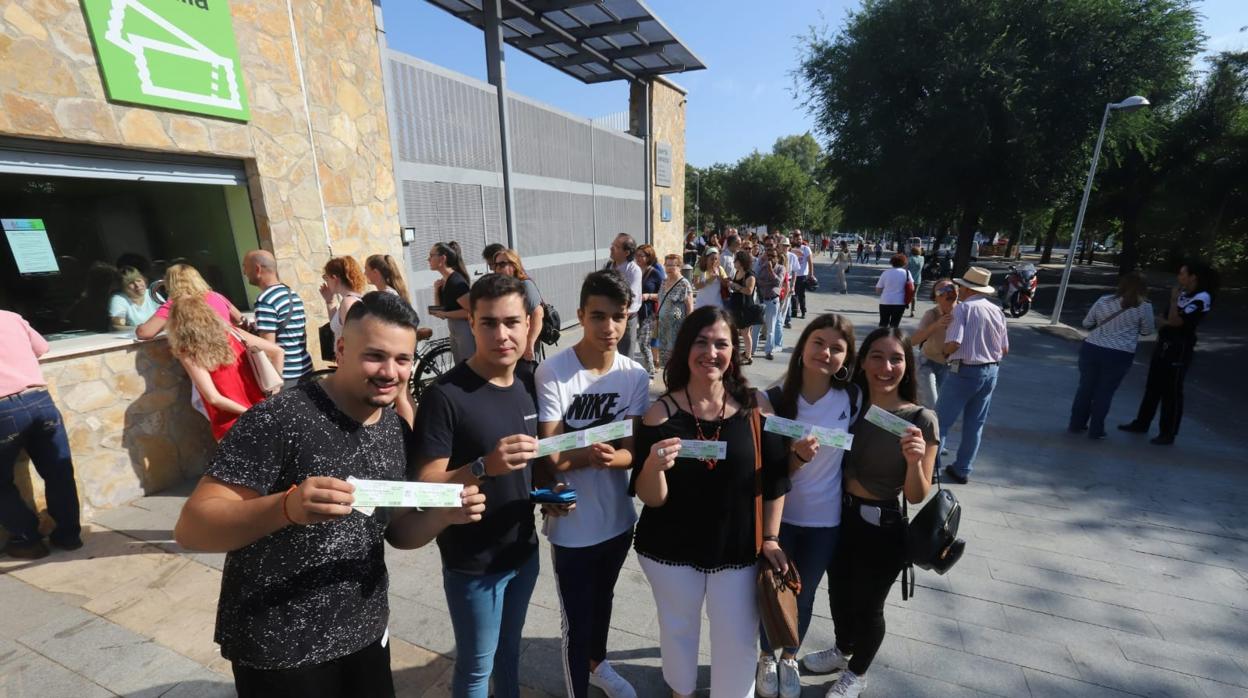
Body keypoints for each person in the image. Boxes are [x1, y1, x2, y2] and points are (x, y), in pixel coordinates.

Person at [173, 292, 486, 697]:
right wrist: (286, 507)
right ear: (341, 348)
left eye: (403, 359)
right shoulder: (279, 419)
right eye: (374, 356)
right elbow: (192, 528)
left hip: (365, 633)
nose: (390, 371)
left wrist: (444, 515)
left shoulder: (395, 431)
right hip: (280, 648)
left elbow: (398, 532)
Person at [630, 306, 789, 697]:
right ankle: (679, 690)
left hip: (736, 548)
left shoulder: (756, 407)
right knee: (678, 629)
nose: (711, 353)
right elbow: (651, 497)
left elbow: (775, 479)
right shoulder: (659, 413)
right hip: (670, 548)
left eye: (721, 344)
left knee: (736, 639)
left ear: (734, 351)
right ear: (685, 348)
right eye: (701, 342)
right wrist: (653, 465)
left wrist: (770, 538)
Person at [411, 274, 541, 698]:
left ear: (528, 323)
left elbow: (532, 468)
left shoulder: (530, 382)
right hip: (473, 562)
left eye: (511, 322)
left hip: (523, 551)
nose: (501, 334)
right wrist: (484, 466)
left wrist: (550, 494)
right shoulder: (445, 396)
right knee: (476, 668)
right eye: (488, 323)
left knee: (509, 656)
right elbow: (427, 484)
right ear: (471, 322)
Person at [534, 271, 649, 698]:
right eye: (598, 316)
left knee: (603, 605)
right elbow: (553, 454)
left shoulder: (634, 375)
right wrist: (597, 455)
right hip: (573, 526)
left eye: (618, 317)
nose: (609, 328)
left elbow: (630, 451)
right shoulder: (553, 372)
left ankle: (599, 666)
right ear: (580, 315)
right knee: (575, 624)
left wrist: (612, 456)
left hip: (619, 521)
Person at [806, 328, 938, 698]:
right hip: (837, 516)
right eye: (877, 357)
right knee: (838, 593)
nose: (886, 366)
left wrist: (913, 461)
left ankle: (858, 671)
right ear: (862, 362)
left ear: (907, 366)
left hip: (881, 525)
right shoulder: (850, 403)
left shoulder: (919, 419)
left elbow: (917, 492)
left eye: (896, 358)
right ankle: (842, 648)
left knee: (869, 605)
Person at [754, 314, 860, 698]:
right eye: (818, 342)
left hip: (824, 521)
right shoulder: (775, 399)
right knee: (771, 588)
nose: (825, 353)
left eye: (836, 347)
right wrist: (796, 459)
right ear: (803, 347)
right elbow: (767, 468)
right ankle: (766, 654)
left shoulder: (852, 398)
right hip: (777, 519)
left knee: (806, 592)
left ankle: (789, 657)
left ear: (847, 357)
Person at [0, 310, 82, 560]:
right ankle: (68, 536)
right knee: (59, 472)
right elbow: (42, 347)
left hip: (3, 410)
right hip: (40, 400)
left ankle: (27, 538)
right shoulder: (9, 317)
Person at [1119, 260, 1215, 445]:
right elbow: (1165, 319)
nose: (1179, 277)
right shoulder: (1183, 294)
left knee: (1171, 390)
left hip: (1179, 347)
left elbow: (1177, 321)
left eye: (1182, 274)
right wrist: (1170, 318)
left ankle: (1168, 432)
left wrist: (1172, 303)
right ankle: (1142, 422)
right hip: (1164, 342)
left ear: (1193, 277)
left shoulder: (1202, 297)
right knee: (1152, 385)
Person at [167, 295, 284, 440]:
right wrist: (274, 395)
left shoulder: (189, 352)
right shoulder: (234, 333)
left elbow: (213, 398)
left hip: (232, 426)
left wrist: (251, 413)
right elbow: (278, 351)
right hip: (263, 413)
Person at [935, 267, 1008, 484]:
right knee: (975, 424)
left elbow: (954, 342)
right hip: (991, 370)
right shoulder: (997, 310)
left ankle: (932, 466)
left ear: (966, 288)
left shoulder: (963, 309)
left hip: (964, 370)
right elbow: (1004, 349)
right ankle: (963, 468)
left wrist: (944, 352)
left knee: (941, 422)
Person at [1068, 272, 1155, 439]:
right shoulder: (1144, 307)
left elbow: (1087, 323)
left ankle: (1076, 423)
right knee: (1105, 392)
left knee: (1085, 388)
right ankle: (1096, 429)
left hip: (1092, 347)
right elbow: (1147, 331)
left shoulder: (1104, 300)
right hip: (1120, 354)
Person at [244, 250, 313, 387]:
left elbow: (269, 348)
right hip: (305, 368)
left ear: (257, 269)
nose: (244, 273)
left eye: (245, 267)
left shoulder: (265, 301)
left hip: (286, 376)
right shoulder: (291, 294)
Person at [136, 263, 244, 340]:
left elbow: (145, 333)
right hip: (232, 349)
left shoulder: (175, 304)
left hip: (206, 356)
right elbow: (240, 319)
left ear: (170, 282)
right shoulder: (216, 296)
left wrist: (139, 327)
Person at [910, 278, 958, 409]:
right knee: (932, 404)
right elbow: (913, 341)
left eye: (951, 288)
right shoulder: (931, 314)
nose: (948, 293)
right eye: (942, 291)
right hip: (927, 362)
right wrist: (936, 325)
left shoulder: (964, 312)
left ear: (957, 291)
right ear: (935, 298)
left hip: (952, 366)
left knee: (945, 406)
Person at [491, 248, 546, 362]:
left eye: (502, 264)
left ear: (514, 265)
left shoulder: (525, 285)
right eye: (495, 265)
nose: (497, 268)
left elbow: (538, 314)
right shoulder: (503, 287)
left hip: (525, 346)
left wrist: (529, 343)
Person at [429, 242, 475, 362]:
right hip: (454, 328)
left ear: (442, 258)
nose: (428, 259)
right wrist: (436, 290)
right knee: (460, 368)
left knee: (468, 368)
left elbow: (471, 312)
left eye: (431, 255)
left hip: (464, 329)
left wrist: (445, 314)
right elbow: (439, 310)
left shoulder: (456, 281)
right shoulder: (445, 281)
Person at [606, 234, 643, 363]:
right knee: (607, 352)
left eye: (615, 247)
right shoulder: (608, 266)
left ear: (626, 252)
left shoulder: (634, 271)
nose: (611, 248)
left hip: (626, 319)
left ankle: (628, 380)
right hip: (610, 316)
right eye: (612, 245)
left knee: (626, 356)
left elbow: (628, 297)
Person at [656, 253, 694, 370]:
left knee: (676, 361)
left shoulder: (684, 284)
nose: (669, 268)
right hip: (663, 328)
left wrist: (688, 328)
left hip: (677, 329)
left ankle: (675, 385)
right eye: (667, 265)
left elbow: (690, 307)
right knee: (665, 363)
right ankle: (668, 384)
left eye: (673, 265)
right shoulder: (663, 282)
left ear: (680, 267)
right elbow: (660, 299)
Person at [634, 244, 665, 377]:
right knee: (641, 342)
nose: (638, 258)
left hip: (650, 314)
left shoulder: (655, 273)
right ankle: (648, 368)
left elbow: (664, 293)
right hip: (635, 313)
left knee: (643, 343)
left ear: (648, 257)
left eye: (641, 255)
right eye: (637, 255)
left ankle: (650, 370)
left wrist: (648, 296)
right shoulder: (634, 271)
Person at [320, 256, 368, 343]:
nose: (326, 282)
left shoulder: (348, 302)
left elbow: (353, 340)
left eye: (326, 278)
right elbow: (338, 327)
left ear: (334, 278)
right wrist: (329, 301)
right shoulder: (352, 299)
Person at [728, 249, 758, 365]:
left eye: (736, 260)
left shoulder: (750, 275)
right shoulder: (737, 272)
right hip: (736, 306)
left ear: (741, 262)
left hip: (745, 307)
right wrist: (732, 284)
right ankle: (742, 353)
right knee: (737, 331)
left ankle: (749, 355)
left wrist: (736, 286)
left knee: (745, 333)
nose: (734, 262)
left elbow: (749, 291)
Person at [757, 245, 785, 361]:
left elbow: (778, 282)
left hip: (772, 301)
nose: (771, 258)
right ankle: (752, 350)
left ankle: (769, 350)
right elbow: (758, 281)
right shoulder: (763, 267)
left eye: (773, 256)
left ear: (777, 258)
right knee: (756, 327)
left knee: (771, 328)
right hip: (762, 299)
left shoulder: (781, 268)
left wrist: (770, 271)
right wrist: (769, 283)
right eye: (769, 256)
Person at [874, 253, 912, 328]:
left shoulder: (885, 273)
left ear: (892, 262)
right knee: (894, 325)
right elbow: (911, 287)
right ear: (904, 263)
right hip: (900, 302)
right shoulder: (907, 273)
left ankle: (882, 337)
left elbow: (878, 289)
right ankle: (892, 338)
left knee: (883, 323)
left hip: (885, 301)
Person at [691, 246, 726, 310]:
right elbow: (696, 286)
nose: (714, 261)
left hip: (717, 305)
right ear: (706, 259)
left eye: (716, 259)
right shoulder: (699, 269)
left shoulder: (720, 269)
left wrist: (720, 278)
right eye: (712, 259)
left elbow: (726, 284)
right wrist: (708, 280)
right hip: (701, 305)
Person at [792, 232, 813, 320]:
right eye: (797, 239)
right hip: (793, 275)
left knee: (801, 295)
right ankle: (794, 311)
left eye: (800, 239)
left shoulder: (806, 249)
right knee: (793, 294)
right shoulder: (792, 249)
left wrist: (811, 274)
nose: (799, 241)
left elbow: (810, 262)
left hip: (802, 275)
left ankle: (803, 311)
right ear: (794, 240)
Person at [780, 238, 799, 329]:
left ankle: (783, 323)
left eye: (787, 246)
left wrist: (792, 285)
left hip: (788, 281)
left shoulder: (792, 256)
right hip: (778, 282)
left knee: (786, 305)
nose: (785, 247)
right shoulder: (777, 256)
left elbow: (795, 272)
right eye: (783, 245)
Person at [906, 248, 925, 317]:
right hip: (917, 279)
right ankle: (912, 310)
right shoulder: (922, 258)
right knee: (914, 295)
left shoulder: (910, 259)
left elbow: (906, 268)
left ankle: (906, 304)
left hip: (909, 280)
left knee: (906, 293)